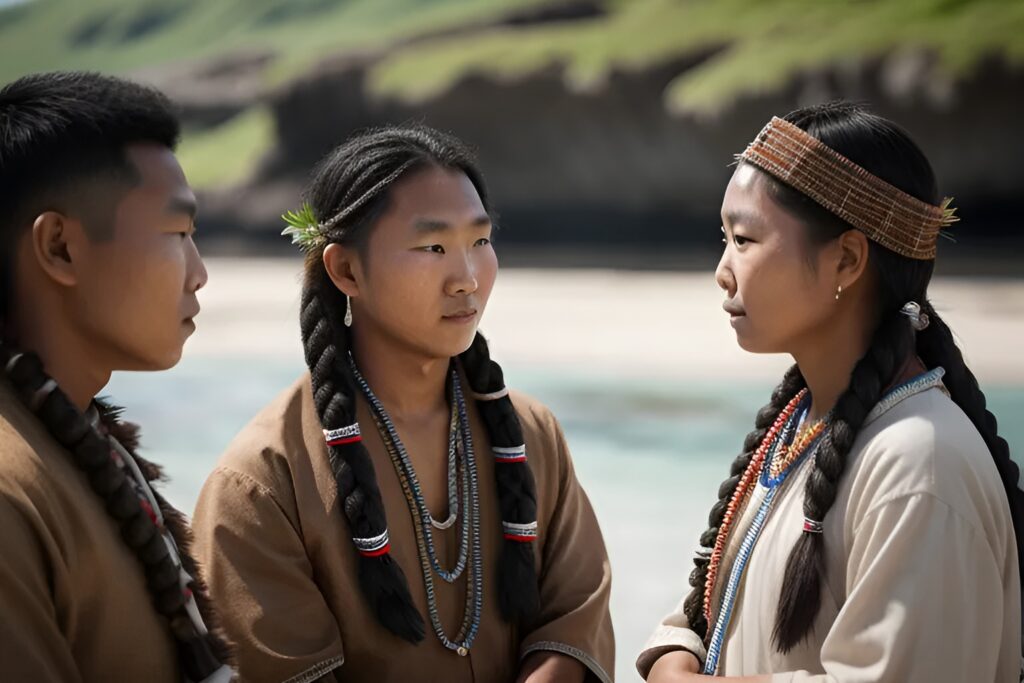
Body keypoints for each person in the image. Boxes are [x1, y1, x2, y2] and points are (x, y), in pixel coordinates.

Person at [192, 124, 614, 683]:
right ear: (346, 270)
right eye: (433, 247)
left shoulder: (531, 433)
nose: (466, 278)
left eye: (480, 242)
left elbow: (576, 616)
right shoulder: (262, 482)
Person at [638, 102, 1022, 682]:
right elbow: (721, 593)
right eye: (725, 238)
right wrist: (673, 653)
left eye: (744, 239)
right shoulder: (803, 423)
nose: (722, 269)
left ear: (846, 259)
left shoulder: (920, 465)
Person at [0, 71, 232, 681]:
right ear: (61, 248)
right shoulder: (9, 490)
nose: (199, 272)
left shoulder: (70, 431)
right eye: (178, 233)